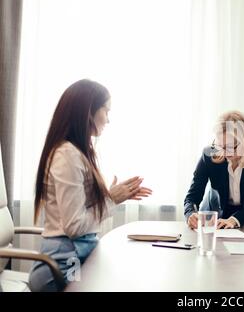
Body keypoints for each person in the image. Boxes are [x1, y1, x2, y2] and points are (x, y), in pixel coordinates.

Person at [29, 79, 152, 291]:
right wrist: (110, 199)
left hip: (72, 257)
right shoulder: (67, 154)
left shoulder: (77, 152)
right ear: (89, 112)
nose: (109, 119)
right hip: (65, 266)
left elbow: (79, 210)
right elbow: (75, 226)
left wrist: (105, 195)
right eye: (106, 111)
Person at [184, 111, 244, 229]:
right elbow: (193, 196)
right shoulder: (210, 154)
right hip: (218, 219)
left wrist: (234, 220)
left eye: (231, 146)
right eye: (221, 146)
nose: (225, 152)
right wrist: (191, 213)